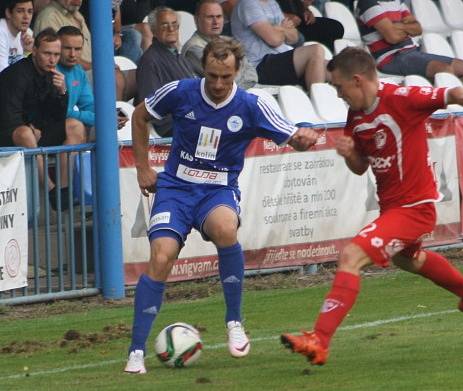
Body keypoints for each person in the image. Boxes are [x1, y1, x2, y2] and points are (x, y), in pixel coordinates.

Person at [280, 47, 463, 366]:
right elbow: (360, 167)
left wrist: (461, 94)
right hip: (393, 209)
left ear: (356, 80)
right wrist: (350, 153)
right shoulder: (356, 115)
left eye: (339, 87)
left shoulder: (401, 98)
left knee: (352, 256)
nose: (338, 95)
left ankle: (319, 340)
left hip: (415, 208)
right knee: (409, 260)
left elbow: (438, 94)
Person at [124, 36, 319, 374]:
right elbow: (140, 116)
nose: (217, 83)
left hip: (217, 191)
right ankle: (136, 352)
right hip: (176, 188)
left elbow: (293, 138)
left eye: (225, 77)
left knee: (225, 228)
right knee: (160, 256)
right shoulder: (181, 91)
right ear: (204, 68)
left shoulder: (252, 106)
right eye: (212, 75)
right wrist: (143, 166)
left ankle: (234, 322)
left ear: (237, 71)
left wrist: (305, 138)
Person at [0, 28, 85, 210]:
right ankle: (50, 188)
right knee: (25, 133)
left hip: (36, 133)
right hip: (8, 133)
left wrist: (63, 92)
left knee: (75, 126)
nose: (52, 59)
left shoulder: (52, 75)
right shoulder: (16, 74)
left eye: (56, 54)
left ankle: (63, 189)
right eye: (47, 53)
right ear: (35, 50)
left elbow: (56, 117)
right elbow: (9, 116)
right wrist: (32, 128)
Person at [355, 0, 463, 78]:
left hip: (414, 52)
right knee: (444, 70)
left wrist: (397, 26)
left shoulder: (398, 2)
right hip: (391, 58)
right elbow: (392, 37)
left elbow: (417, 29)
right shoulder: (367, 3)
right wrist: (405, 29)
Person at [231, 0, 328, 90]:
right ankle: (319, 102)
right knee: (316, 50)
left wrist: (279, 29)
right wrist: (283, 30)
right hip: (259, 65)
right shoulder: (248, 4)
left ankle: (320, 102)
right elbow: (274, 40)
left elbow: (295, 37)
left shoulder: (272, 3)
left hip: (280, 57)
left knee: (333, 68)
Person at [135, 6, 196, 136]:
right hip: (170, 125)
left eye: (175, 24)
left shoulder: (180, 57)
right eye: (164, 25)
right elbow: (150, 104)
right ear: (154, 31)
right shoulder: (150, 60)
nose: (171, 29)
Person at [182, 0, 257, 89]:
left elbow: (253, 74)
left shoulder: (228, 40)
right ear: (196, 20)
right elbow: (226, 80)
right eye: (210, 17)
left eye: (219, 16)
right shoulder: (193, 48)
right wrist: (243, 75)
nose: (216, 22)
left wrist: (238, 79)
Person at [56, 26, 94, 138]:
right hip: (45, 126)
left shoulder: (79, 72)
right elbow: (62, 112)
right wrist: (97, 118)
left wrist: (108, 118)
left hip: (65, 126)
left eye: (77, 49)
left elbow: (89, 105)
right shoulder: (49, 68)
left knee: (105, 128)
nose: (72, 54)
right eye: (67, 48)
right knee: (75, 126)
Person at [276, 0, 344, 52]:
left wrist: (306, 11)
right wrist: (285, 16)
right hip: (281, 25)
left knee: (335, 27)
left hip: (300, 19)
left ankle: (325, 59)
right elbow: (267, 12)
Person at [0, 0, 34, 72]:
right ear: (8, 13)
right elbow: (3, 74)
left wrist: (27, 52)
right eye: (20, 11)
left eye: (30, 12)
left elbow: (28, 73)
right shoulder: (1, 32)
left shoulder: (28, 33)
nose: (26, 16)